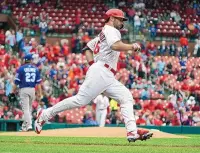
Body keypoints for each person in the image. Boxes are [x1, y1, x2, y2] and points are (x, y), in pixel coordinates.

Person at [34, 8, 153, 142]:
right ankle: (44, 114)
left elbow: (87, 49)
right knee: (80, 100)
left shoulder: (102, 34)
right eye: (120, 19)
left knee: (126, 97)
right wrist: (131, 46)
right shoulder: (111, 30)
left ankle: (132, 131)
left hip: (105, 73)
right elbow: (115, 45)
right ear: (112, 18)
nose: (122, 22)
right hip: (102, 70)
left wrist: (93, 65)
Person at [12, 53, 42, 131]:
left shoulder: (21, 69)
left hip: (24, 90)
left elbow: (16, 82)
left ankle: (29, 126)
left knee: (25, 109)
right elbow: (38, 83)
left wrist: (12, 91)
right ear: (31, 60)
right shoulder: (35, 69)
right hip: (32, 90)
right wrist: (40, 93)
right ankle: (24, 127)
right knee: (29, 109)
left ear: (25, 60)